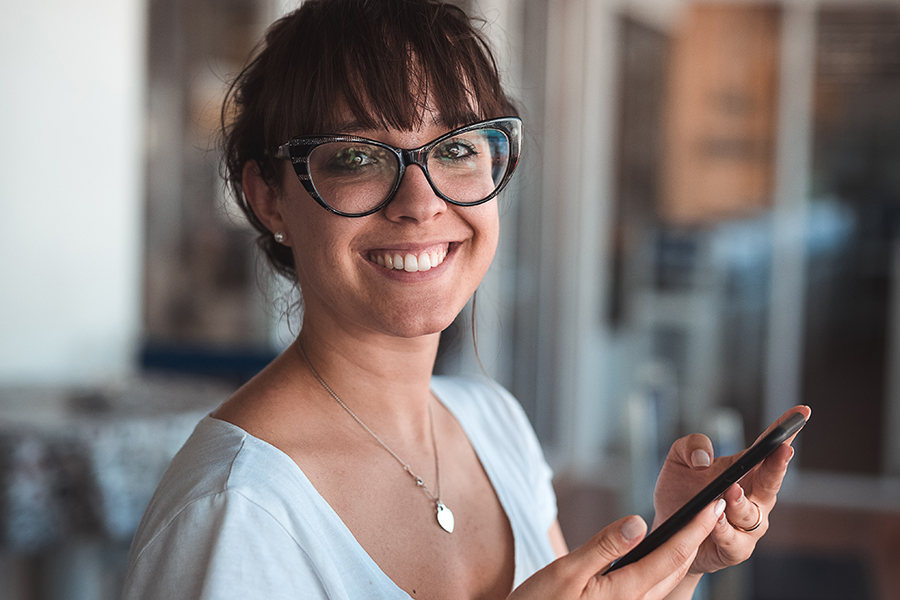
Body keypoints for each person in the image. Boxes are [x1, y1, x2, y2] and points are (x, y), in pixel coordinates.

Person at [122, 1, 810, 598]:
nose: (422, 204)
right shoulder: (235, 512)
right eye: (357, 157)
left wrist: (679, 558)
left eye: (456, 149)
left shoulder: (494, 425)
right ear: (268, 196)